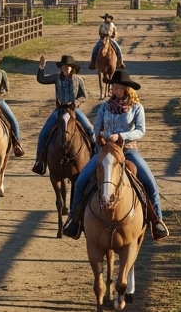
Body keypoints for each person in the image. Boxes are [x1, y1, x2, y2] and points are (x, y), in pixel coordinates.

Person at [62, 69, 168, 241]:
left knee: (150, 182)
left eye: (117, 87)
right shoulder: (104, 107)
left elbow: (141, 131)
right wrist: (101, 137)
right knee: (81, 181)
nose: (113, 90)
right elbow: (96, 127)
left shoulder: (136, 108)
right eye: (113, 87)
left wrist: (121, 136)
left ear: (126, 89)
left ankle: (157, 220)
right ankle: (74, 220)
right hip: (104, 152)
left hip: (128, 151)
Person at [31, 54, 95, 175]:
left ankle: (94, 159)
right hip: (59, 110)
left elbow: (84, 96)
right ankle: (40, 162)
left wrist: (74, 103)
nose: (66, 68)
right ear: (61, 68)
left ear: (72, 67)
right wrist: (41, 67)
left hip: (74, 110)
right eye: (64, 67)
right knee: (44, 132)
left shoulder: (78, 80)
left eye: (68, 66)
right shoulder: (56, 78)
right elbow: (41, 79)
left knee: (90, 130)